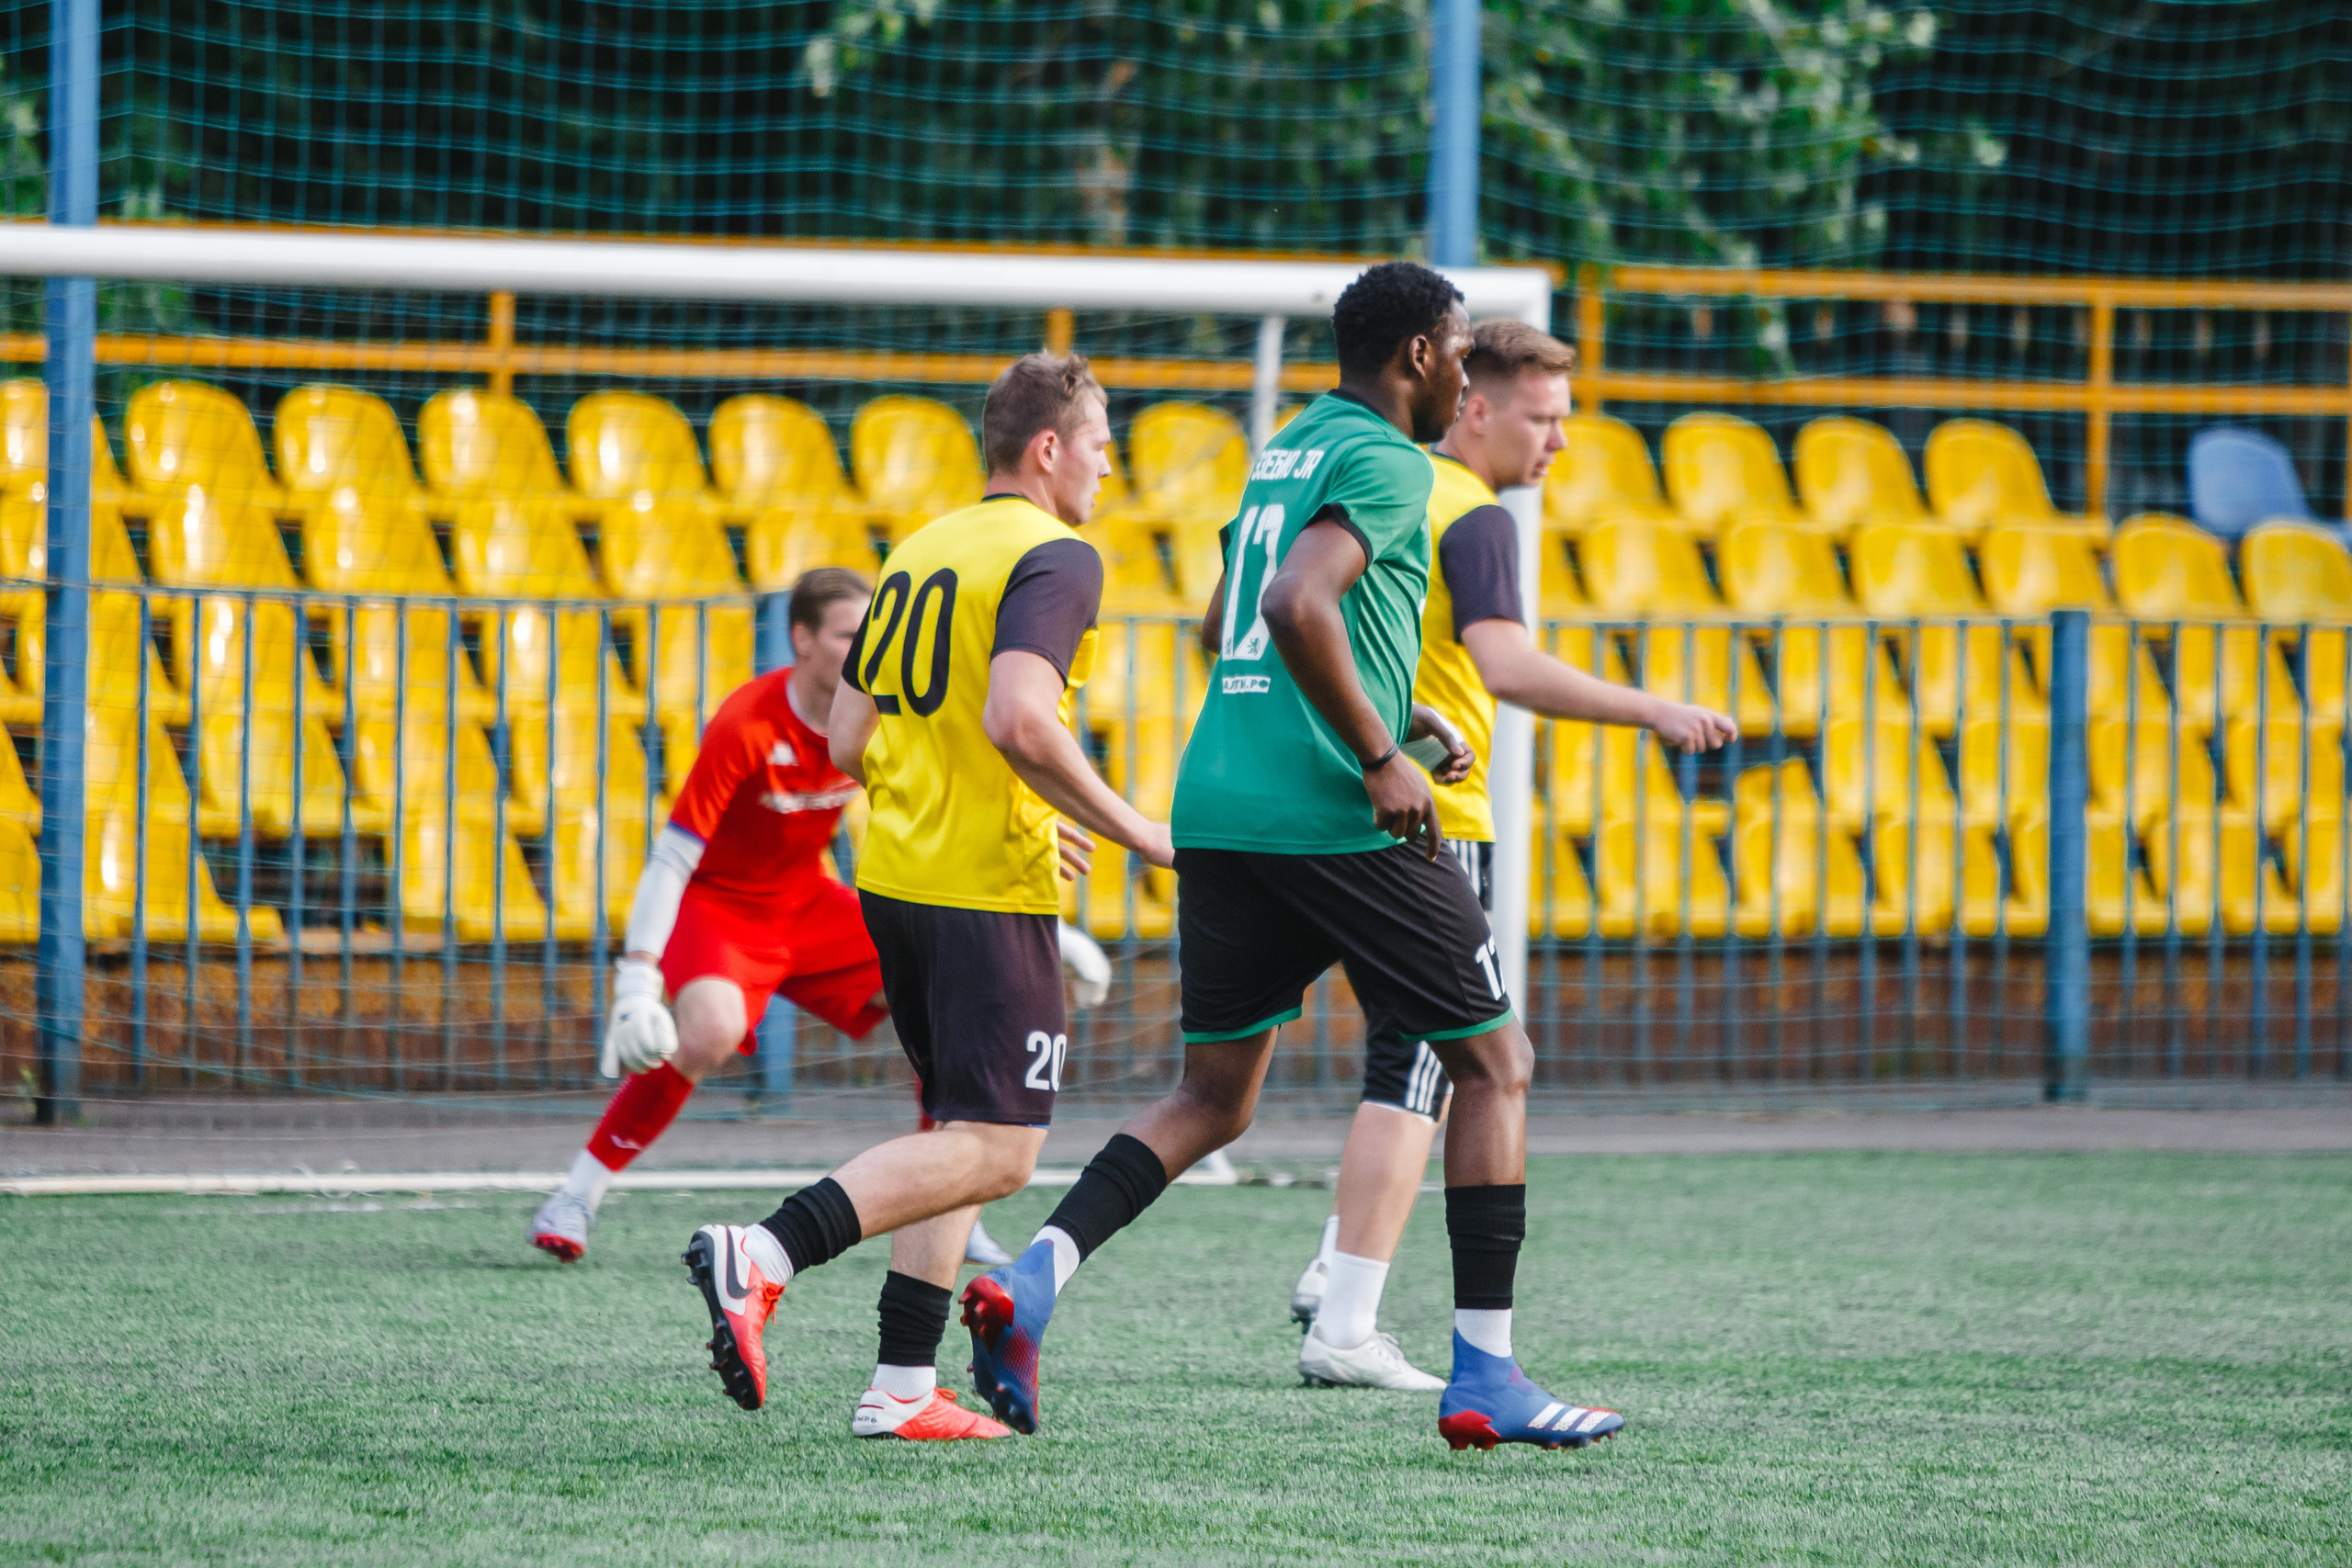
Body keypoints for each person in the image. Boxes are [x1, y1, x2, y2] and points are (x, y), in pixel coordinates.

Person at [957, 261, 1627, 1450]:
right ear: (1420, 353)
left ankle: (1040, 1276)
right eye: (1461, 349)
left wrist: (1392, 715)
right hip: (1334, 811)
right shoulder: (1385, 457)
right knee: (1497, 1063)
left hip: (1224, 800)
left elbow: (1229, 622)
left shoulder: (1285, 449)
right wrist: (1379, 751)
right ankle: (1488, 1373)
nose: (1468, 371)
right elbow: (1291, 600)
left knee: (1211, 1097)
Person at [680, 352, 1174, 1443]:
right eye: (1099, 444)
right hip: (981, 890)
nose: (1107, 467)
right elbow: (1021, 721)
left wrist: (988, 807)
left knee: (959, 1127)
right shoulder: (1057, 556)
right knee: (1002, 1147)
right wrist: (1133, 829)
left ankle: (903, 1383)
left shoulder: (918, 549)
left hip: (897, 878)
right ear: (1048, 449)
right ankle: (760, 1254)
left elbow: (848, 739)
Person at [1289, 318, 1736, 1390]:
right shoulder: (1472, 517)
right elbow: (1502, 664)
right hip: (1433, 823)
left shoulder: (1376, 488)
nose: (1560, 442)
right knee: (1435, 1065)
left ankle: (1330, 1277)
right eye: (1542, 417)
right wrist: (1653, 709)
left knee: (1367, 1066)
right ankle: (1344, 1318)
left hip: (1325, 805)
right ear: (1472, 404)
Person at [527, 568, 889, 1264]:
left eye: (869, 631)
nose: (864, 645)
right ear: (803, 638)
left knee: (938, 987)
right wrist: (635, 983)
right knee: (710, 1032)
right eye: (849, 633)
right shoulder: (748, 721)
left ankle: (953, 1211)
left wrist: (1041, 930)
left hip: (806, 900)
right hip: (720, 903)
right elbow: (671, 857)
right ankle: (577, 1193)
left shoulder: (878, 713)